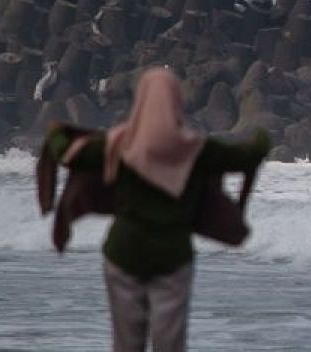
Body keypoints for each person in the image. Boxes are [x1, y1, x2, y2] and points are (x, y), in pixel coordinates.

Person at [44, 67, 271, 352]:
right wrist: (263, 137)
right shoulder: (196, 151)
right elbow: (247, 156)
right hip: (172, 259)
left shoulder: (118, 145)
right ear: (176, 102)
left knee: (126, 344)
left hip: (123, 254)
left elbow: (67, 154)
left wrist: (56, 132)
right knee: (170, 344)